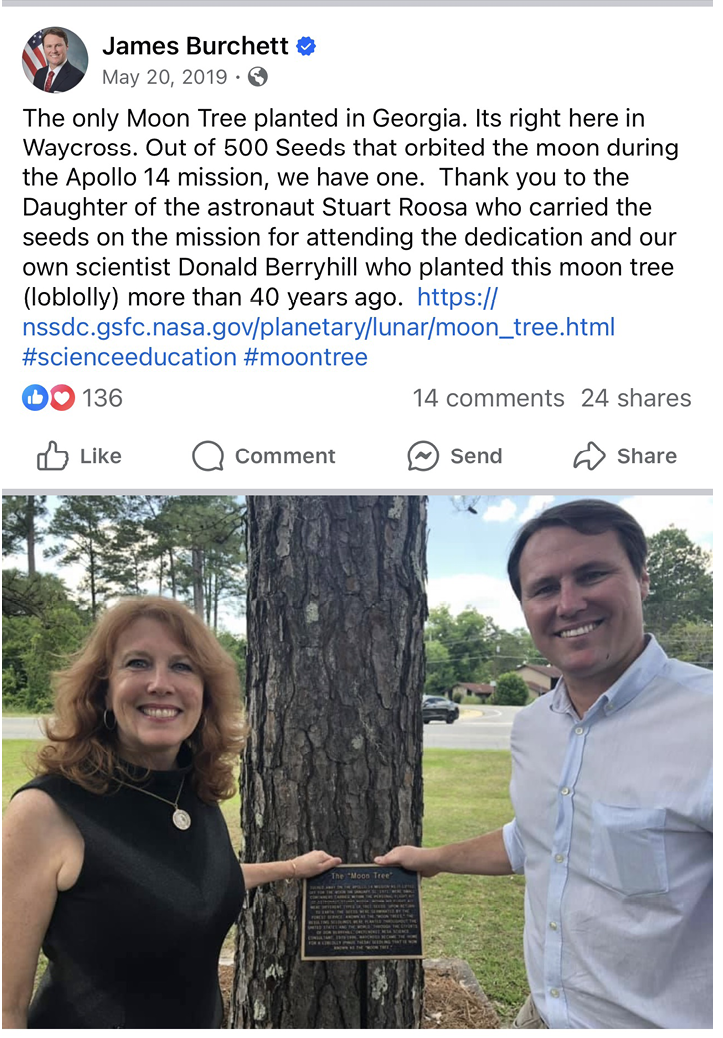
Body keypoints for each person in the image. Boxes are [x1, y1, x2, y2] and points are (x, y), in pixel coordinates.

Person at [377, 499, 712, 1029]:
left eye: (592, 574)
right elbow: (538, 835)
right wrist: (432, 858)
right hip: (540, 1016)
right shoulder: (533, 727)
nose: (570, 603)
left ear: (643, 579)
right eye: (545, 588)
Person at [2, 596, 341, 1029]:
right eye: (137, 663)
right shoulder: (44, 812)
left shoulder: (192, 789)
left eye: (182, 666)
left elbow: (189, 885)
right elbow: (6, 1007)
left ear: (205, 693)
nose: (161, 683)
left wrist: (292, 868)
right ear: (103, 689)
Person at [32, 28, 84, 93]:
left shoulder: (78, 78)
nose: (54, 51)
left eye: (58, 45)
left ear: (67, 47)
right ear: (44, 49)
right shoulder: (39, 74)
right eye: (49, 46)